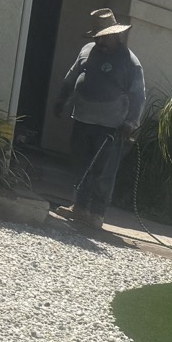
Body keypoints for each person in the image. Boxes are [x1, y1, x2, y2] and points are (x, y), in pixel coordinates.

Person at [51, 16, 147, 233]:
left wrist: (131, 122)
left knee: (103, 171)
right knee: (81, 165)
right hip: (82, 118)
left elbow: (138, 95)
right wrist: (61, 99)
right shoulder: (87, 50)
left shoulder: (130, 62)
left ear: (116, 35)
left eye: (104, 38)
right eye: (97, 38)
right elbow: (72, 76)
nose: (100, 43)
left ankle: (97, 214)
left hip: (110, 127)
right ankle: (80, 208)